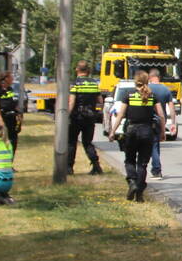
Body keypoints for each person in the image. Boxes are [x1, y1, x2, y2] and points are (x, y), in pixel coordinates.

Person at [109, 70, 165, 202]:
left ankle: (132, 182)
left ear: (136, 81)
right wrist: (162, 132)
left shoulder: (128, 95)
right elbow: (161, 115)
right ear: (147, 81)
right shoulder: (152, 96)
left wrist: (113, 131)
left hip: (132, 131)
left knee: (129, 160)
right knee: (143, 164)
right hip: (147, 132)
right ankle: (139, 194)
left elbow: (121, 115)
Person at [68, 60, 104, 175]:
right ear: (88, 71)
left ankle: (69, 168)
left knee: (71, 142)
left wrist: (66, 116)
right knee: (87, 142)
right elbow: (100, 101)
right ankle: (96, 166)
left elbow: (72, 102)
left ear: (77, 69)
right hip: (90, 117)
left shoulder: (75, 83)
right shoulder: (94, 83)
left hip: (76, 117)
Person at [147, 68, 175, 180]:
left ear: (151, 77)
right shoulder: (166, 90)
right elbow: (171, 108)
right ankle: (156, 170)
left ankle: (148, 169)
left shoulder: (147, 89)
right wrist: (173, 123)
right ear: (159, 77)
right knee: (155, 146)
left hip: (146, 119)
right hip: (159, 121)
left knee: (145, 146)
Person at [0, 71, 22, 160]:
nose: (12, 79)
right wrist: (0, 119)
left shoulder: (10, 89)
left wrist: (19, 113)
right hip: (1, 119)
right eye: (11, 77)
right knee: (0, 141)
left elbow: (12, 103)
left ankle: (9, 163)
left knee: (13, 141)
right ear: (5, 79)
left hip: (11, 119)